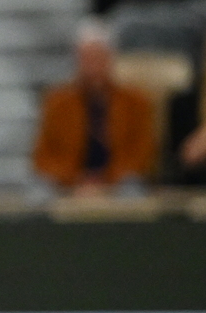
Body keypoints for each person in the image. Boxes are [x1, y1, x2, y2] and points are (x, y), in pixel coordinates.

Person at [32, 20, 158, 195]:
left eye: (98, 57)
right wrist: (76, 180)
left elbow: (143, 154)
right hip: (69, 184)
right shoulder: (57, 102)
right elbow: (43, 157)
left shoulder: (136, 102)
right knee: (40, 193)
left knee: (132, 190)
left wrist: (107, 180)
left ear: (110, 59)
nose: (92, 65)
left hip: (118, 183)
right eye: (87, 58)